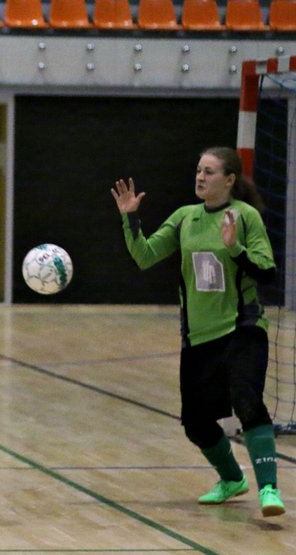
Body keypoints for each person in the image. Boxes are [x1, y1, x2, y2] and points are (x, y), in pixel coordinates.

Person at [111, 146, 285, 517]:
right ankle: (232, 479)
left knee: (247, 401)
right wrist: (130, 219)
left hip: (242, 328)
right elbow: (144, 255)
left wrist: (235, 247)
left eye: (209, 171)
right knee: (195, 423)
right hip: (198, 337)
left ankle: (269, 488)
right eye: (198, 170)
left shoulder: (246, 216)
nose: (200, 177)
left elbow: (267, 272)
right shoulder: (184, 218)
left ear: (229, 179)